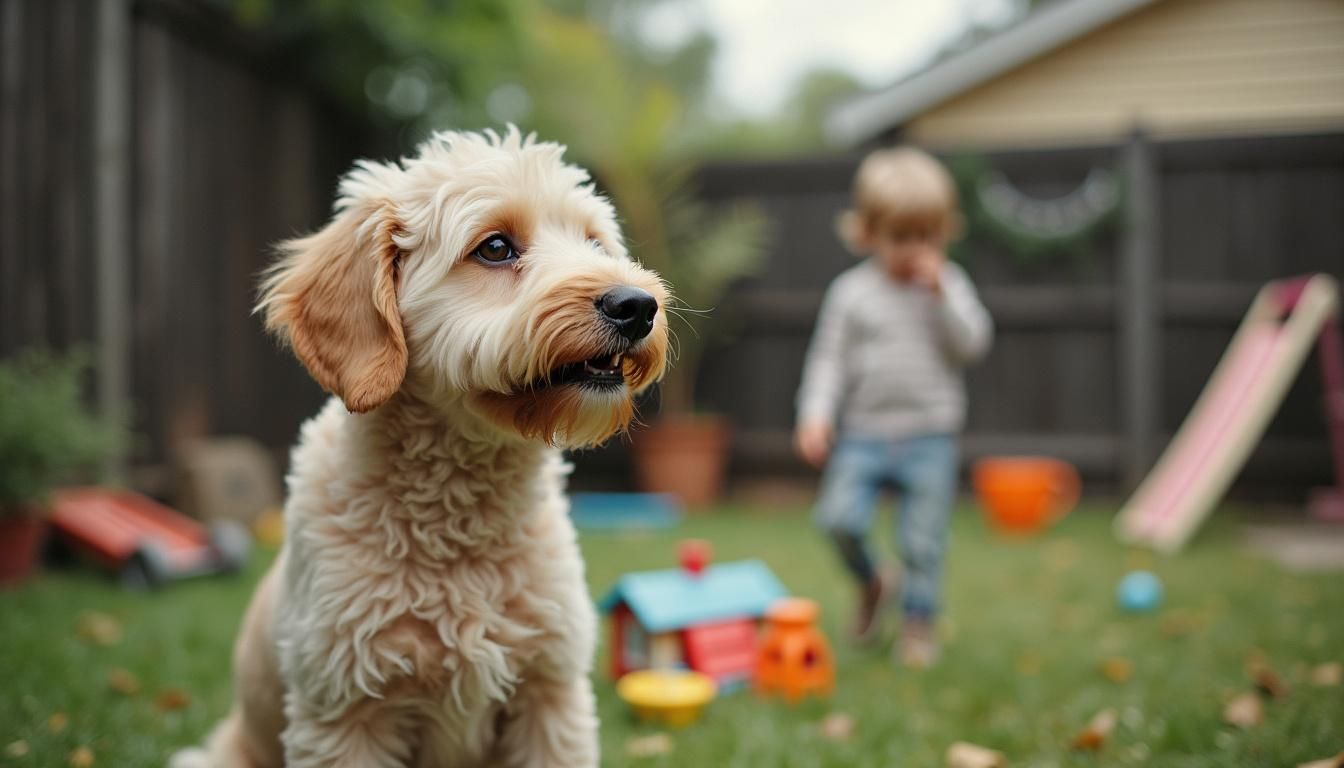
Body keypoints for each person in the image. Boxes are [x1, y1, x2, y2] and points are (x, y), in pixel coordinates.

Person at [794, 146, 993, 667]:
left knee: (923, 539)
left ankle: (918, 623)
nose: (914, 251)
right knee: (837, 519)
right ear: (868, 233)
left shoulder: (948, 287)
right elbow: (827, 362)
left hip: (930, 433)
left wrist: (943, 293)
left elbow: (972, 343)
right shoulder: (852, 294)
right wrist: (815, 415)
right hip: (863, 434)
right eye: (901, 237)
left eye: (927, 237)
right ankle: (874, 581)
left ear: (943, 233)